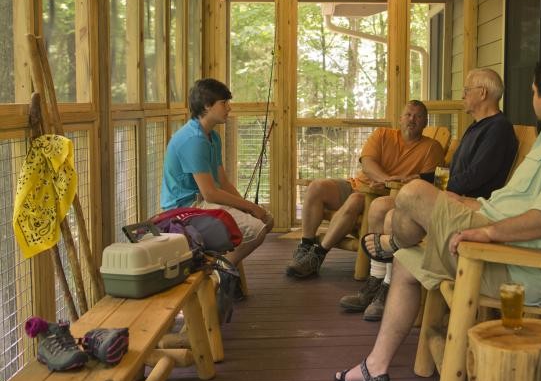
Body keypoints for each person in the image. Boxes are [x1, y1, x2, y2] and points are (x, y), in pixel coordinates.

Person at [334, 52, 541, 381]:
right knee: (407, 256)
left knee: (411, 195)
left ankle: (395, 242)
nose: (532, 100)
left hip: (514, 265)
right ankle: (374, 368)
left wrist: (485, 232)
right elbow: (522, 202)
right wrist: (472, 205)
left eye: (532, 92)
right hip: (498, 242)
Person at [339, 68, 518, 321]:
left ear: (483, 93)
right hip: (452, 198)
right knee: (380, 207)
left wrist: (430, 189)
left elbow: (476, 177)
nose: (463, 95)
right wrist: (420, 179)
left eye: (467, 90)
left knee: (391, 216)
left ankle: (388, 285)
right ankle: (377, 281)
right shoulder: (477, 127)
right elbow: (453, 172)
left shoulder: (498, 129)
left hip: (468, 206)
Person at [287, 101, 445, 279]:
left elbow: (426, 184)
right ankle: (306, 245)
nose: (412, 119)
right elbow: (368, 164)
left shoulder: (432, 148)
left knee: (355, 200)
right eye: (408, 114)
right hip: (359, 185)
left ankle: (318, 255)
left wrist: (386, 187)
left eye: (418, 116)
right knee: (316, 187)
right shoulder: (383, 134)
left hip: (383, 198)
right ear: (400, 119)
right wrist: (385, 179)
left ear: (425, 122)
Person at [161, 78, 273, 269]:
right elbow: (210, 193)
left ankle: (224, 267)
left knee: (267, 220)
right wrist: (251, 209)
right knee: (257, 229)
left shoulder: (212, 136)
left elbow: (223, 182)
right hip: (184, 209)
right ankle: (223, 272)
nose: (229, 108)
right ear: (206, 106)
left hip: (204, 203)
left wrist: (249, 208)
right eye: (224, 103)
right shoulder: (193, 140)